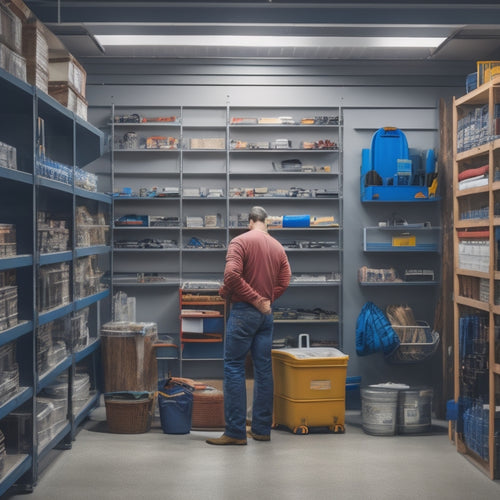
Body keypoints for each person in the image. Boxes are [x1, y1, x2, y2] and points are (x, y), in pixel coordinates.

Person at [206, 206, 291, 445]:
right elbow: (285, 280)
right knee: (263, 370)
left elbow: (232, 275)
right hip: (266, 316)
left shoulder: (240, 241)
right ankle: (262, 429)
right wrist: (266, 299)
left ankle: (235, 432)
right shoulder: (278, 247)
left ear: (250, 221)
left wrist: (253, 298)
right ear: (267, 223)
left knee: (234, 366)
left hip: (245, 311)